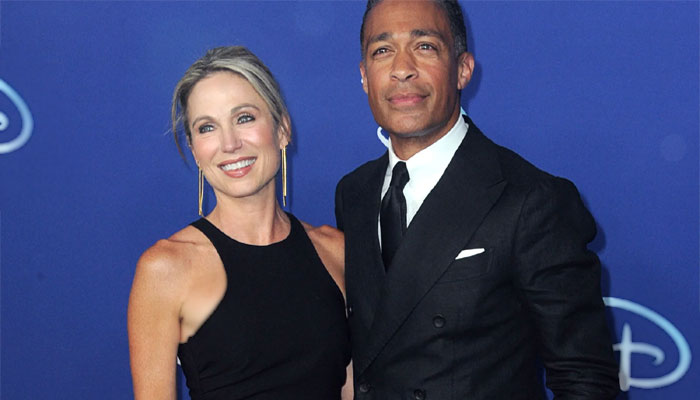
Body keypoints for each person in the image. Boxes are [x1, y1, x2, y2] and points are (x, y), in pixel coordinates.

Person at [335, 1, 620, 398]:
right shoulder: (354, 192)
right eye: (382, 50)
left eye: (424, 46)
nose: (402, 69)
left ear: (463, 69)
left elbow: (584, 379)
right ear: (365, 77)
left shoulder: (532, 200)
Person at [128, 46, 351, 400]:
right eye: (207, 128)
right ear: (195, 150)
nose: (229, 143)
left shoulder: (336, 251)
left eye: (244, 118)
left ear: (282, 129)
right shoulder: (166, 267)